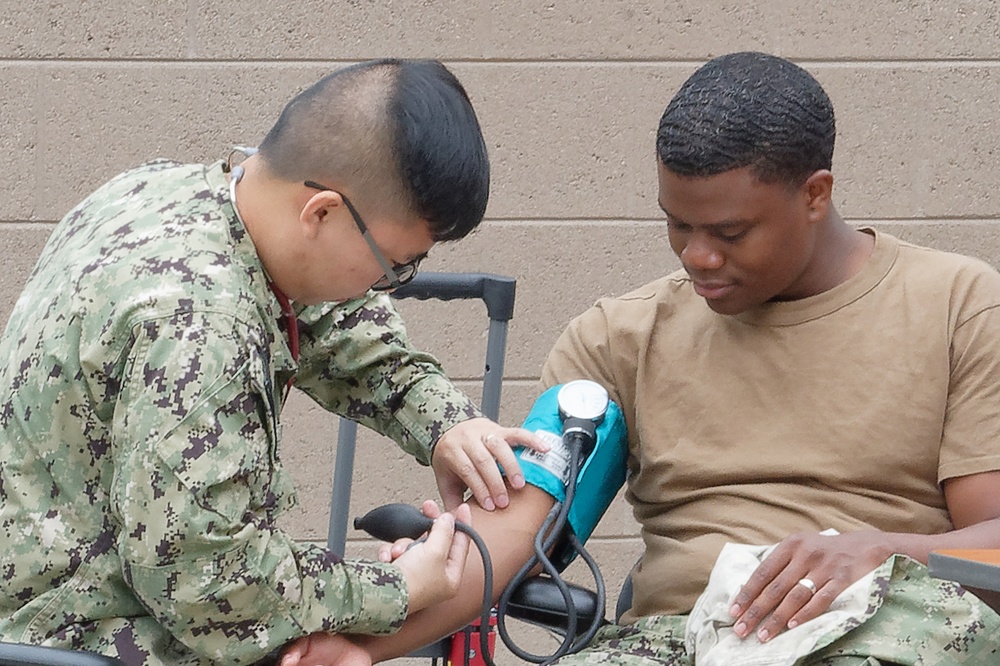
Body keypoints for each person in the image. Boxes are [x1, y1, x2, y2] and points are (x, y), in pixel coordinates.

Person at [285, 51, 1000, 665]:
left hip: (874, 630)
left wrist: (883, 552)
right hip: (677, 639)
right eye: (676, 224)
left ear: (815, 195)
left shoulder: (956, 305)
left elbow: (992, 555)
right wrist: (364, 642)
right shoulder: (620, 336)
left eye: (729, 231)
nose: (697, 256)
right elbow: (514, 530)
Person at [0, 58, 548, 665]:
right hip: (84, 638)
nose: (386, 286)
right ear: (322, 213)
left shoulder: (161, 193)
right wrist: (400, 587)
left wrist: (445, 423)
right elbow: (209, 584)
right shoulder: (203, 332)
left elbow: (327, 317)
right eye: (393, 265)